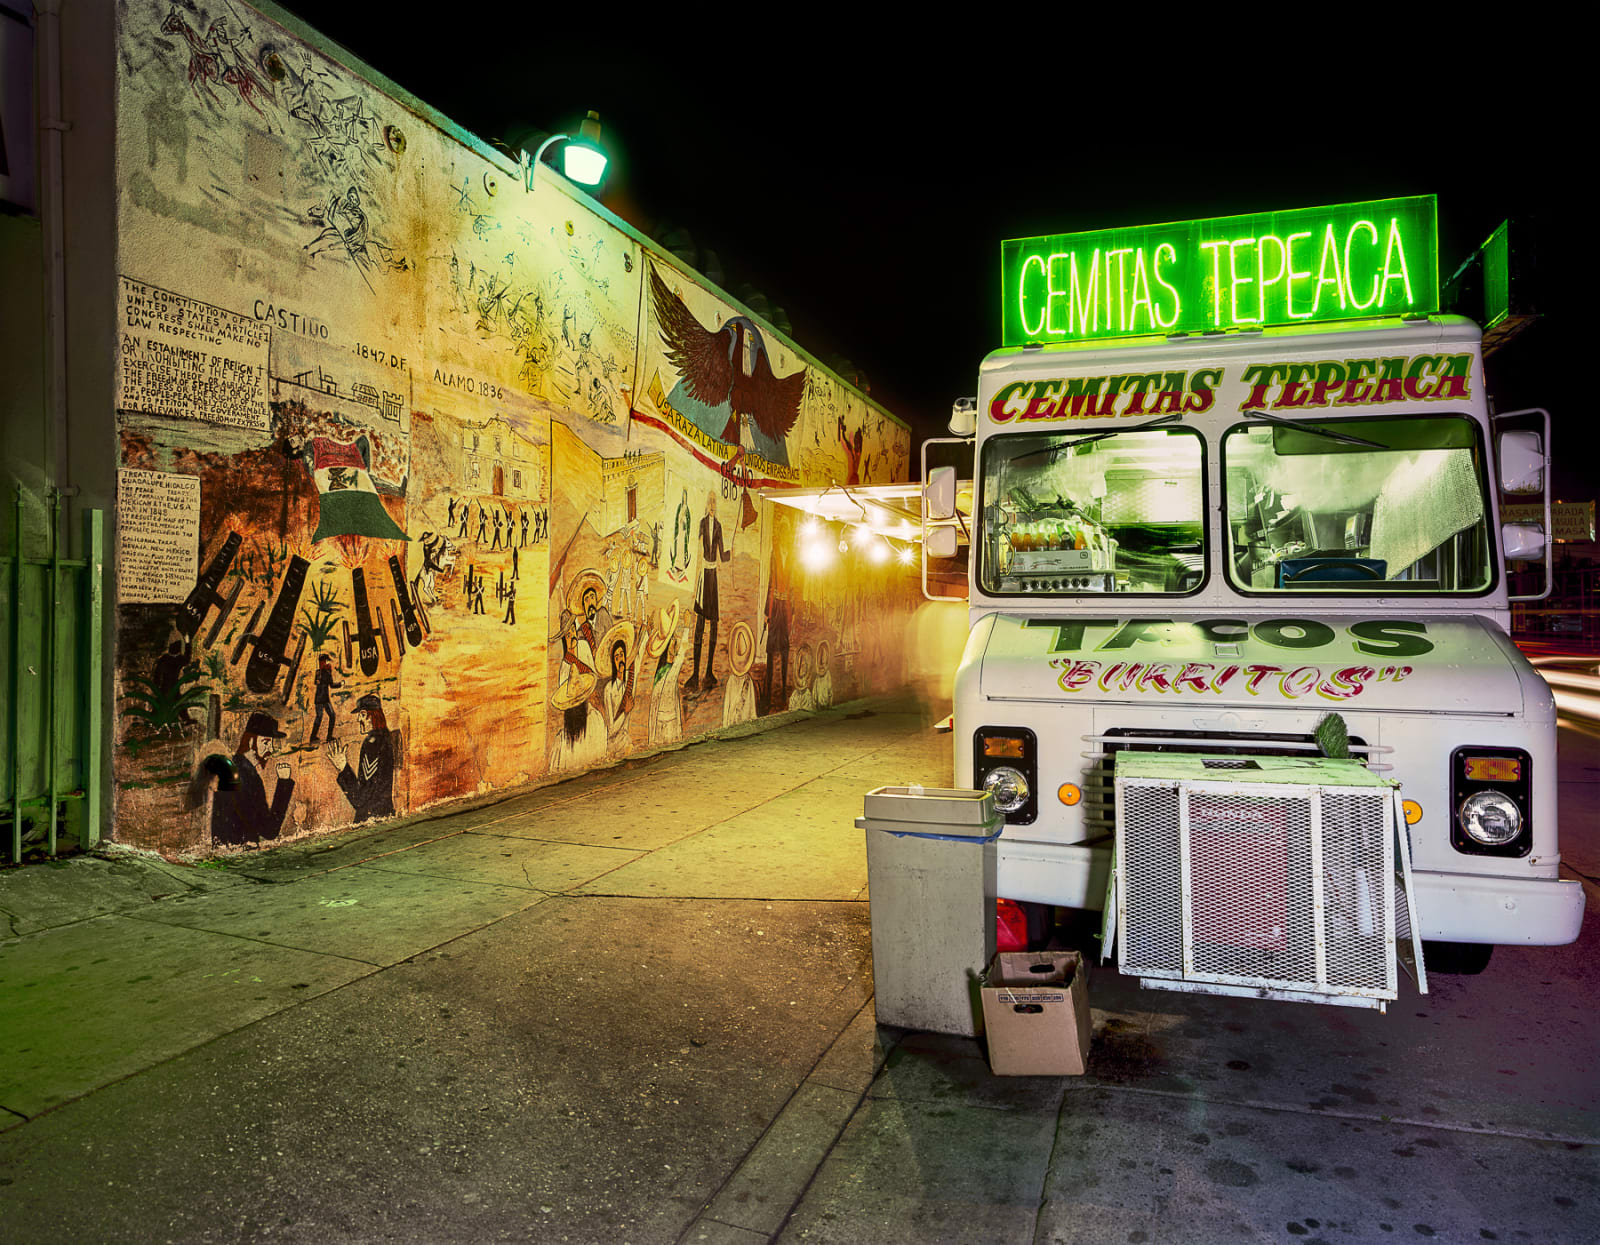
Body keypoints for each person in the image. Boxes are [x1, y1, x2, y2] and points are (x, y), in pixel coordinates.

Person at [210, 712, 294, 846]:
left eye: (272, 743)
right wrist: (284, 783)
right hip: (238, 856)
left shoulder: (237, 768)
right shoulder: (245, 776)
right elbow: (269, 831)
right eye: (266, 742)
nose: (271, 749)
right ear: (250, 741)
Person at [686, 491, 731, 694]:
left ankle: (708, 672)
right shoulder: (703, 523)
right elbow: (690, 542)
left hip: (713, 577)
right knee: (700, 624)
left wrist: (731, 552)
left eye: (715, 501)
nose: (712, 504)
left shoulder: (719, 526)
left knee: (714, 624)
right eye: (710, 501)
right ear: (706, 504)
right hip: (704, 576)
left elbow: (722, 556)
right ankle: (695, 674)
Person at [326, 693, 395, 822]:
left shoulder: (373, 744)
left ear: (373, 717)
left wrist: (343, 768)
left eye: (362, 714)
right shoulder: (385, 737)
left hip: (371, 818)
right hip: (382, 815)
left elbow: (360, 798)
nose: (358, 719)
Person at [647, 603, 685, 745]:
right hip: (665, 725)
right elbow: (680, 658)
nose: (676, 643)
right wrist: (686, 628)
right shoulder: (666, 673)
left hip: (669, 723)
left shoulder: (663, 672)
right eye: (674, 640)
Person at [722, 621, 757, 727]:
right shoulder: (731, 680)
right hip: (731, 723)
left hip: (744, 722)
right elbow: (727, 705)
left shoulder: (748, 681)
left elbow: (752, 708)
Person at [308, 653, 341, 742]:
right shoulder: (326, 672)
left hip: (318, 698)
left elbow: (317, 682)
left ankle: (312, 737)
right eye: (326, 661)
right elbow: (332, 685)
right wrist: (341, 684)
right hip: (324, 699)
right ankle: (328, 737)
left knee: (319, 717)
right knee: (332, 716)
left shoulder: (318, 672)